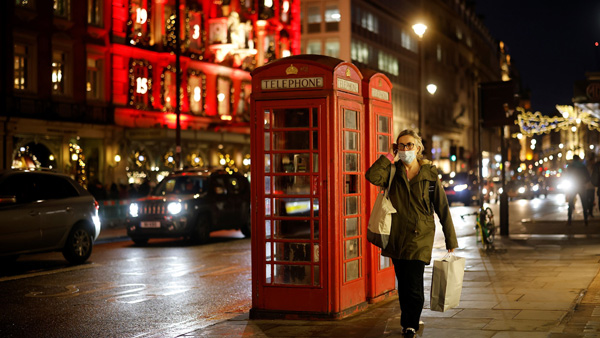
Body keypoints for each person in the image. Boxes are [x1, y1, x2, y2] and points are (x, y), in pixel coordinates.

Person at [365, 129, 458, 338]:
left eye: (409, 145)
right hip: (396, 235)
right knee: (404, 284)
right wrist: (389, 156)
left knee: (414, 283)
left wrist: (451, 239)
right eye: (401, 145)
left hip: (420, 236)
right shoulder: (392, 171)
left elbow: (442, 208)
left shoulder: (430, 174)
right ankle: (409, 319)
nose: (405, 149)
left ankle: (410, 324)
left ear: (418, 148)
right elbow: (371, 176)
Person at [565, 155, 591, 226]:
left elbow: (567, 177)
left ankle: (569, 220)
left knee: (570, 203)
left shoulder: (570, 167)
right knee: (584, 203)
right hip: (581, 186)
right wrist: (584, 182)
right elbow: (588, 177)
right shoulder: (583, 167)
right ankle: (586, 220)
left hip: (573, 186)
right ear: (579, 159)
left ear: (573, 159)